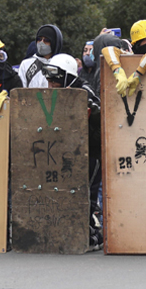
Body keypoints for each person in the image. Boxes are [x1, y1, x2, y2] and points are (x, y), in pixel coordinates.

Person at [41, 53, 104, 251]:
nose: (51, 82)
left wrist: (90, 109)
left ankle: (90, 235)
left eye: (55, 78)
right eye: (48, 77)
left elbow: (99, 113)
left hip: (89, 152)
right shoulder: (51, 93)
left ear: (67, 76)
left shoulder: (83, 90)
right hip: (63, 154)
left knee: (86, 195)